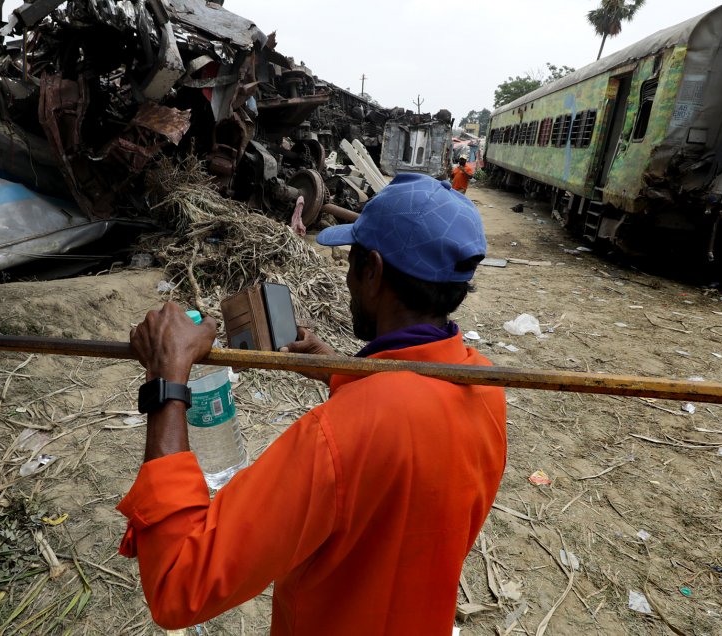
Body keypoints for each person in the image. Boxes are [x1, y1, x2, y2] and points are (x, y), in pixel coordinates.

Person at [118, 173, 507, 634]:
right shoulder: (485, 385)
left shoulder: (336, 437)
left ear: (372, 271)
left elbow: (178, 585)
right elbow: (408, 417)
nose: (347, 279)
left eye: (351, 261)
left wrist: (166, 380)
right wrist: (339, 370)